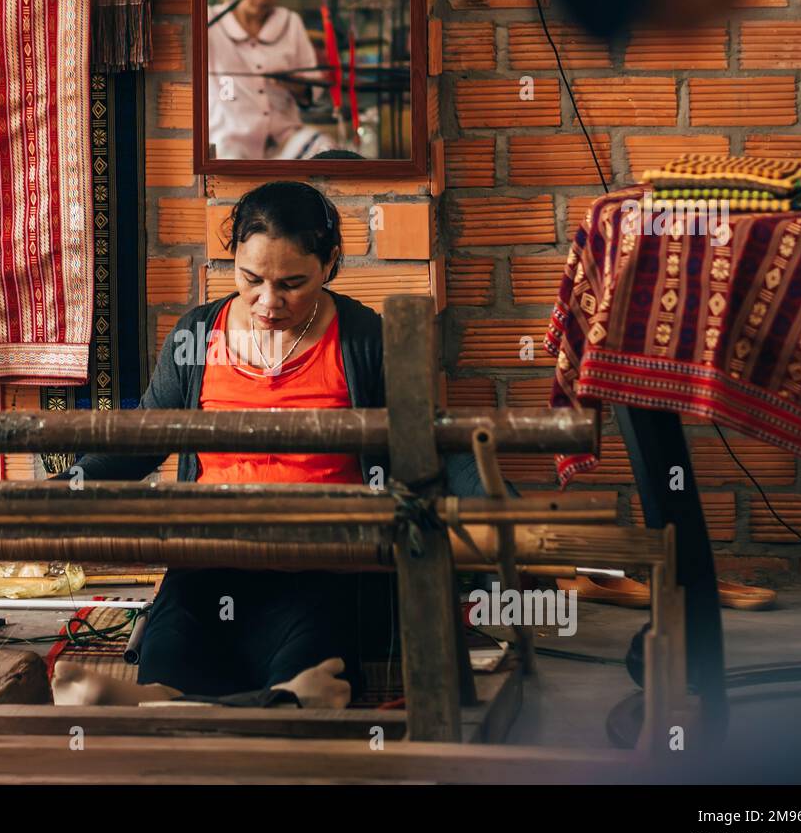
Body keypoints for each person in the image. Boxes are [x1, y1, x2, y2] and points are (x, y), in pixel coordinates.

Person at [51, 181, 515, 710]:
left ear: (330, 263)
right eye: (251, 279)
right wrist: (59, 492)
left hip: (324, 565)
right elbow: (137, 444)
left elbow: (435, 442)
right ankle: (263, 702)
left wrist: (504, 518)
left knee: (314, 668)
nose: (268, 303)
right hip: (208, 562)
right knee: (178, 655)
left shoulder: (365, 340)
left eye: (293, 283)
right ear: (233, 260)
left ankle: (184, 703)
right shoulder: (197, 336)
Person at [207, 0, 334, 160]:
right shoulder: (210, 21)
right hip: (231, 139)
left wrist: (294, 84)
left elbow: (314, 86)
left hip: (284, 141)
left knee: (324, 148)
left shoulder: (290, 22)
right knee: (228, 162)